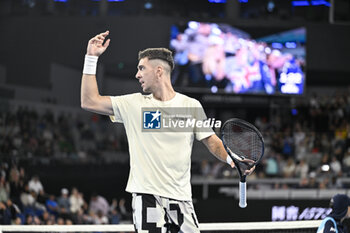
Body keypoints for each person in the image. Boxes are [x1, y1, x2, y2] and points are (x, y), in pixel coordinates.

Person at [80, 30, 255, 233]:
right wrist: (91, 58)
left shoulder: (190, 106)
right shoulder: (133, 104)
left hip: (182, 199)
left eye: (141, 68)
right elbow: (89, 101)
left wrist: (232, 159)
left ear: (159, 71)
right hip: (147, 197)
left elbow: (212, 141)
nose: (137, 74)